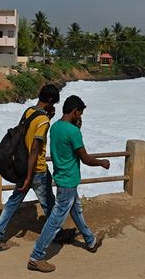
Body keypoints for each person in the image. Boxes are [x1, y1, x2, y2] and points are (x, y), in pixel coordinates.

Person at [0, 84, 74, 252]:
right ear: (49, 100)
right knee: (49, 204)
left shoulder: (29, 111)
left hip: (22, 166)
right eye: (53, 103)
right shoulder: (43, 121)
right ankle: (56, 235)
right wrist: (29, 176)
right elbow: (35, 148)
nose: (53, 106)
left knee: (13, 203)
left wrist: (24, 175)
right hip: (36, 170)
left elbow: (24, 137)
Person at [27, 95, 110, 273]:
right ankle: (36, 256)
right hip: (68, 180)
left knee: (76, 209)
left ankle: (90, 241)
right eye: (80, 113)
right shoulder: (73, 132)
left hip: (61, 176)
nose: (81, 116)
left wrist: (76, 127)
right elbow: (85, 159)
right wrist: (102, 162)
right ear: (74, 112)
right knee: (55, 220)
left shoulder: (56, 126)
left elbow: (64, 147)